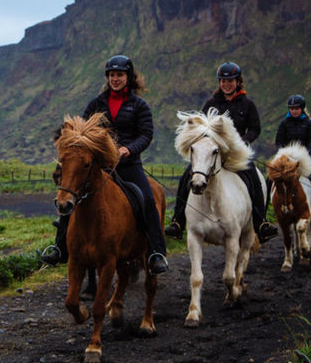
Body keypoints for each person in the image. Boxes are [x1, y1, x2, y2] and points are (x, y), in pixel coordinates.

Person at [41, 54, 169, 276]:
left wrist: (128, 149)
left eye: (119, 74)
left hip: (128, 166)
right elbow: (81, 133)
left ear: (129, 77)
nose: (115, 78)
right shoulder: (96, 103)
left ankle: (156, 253)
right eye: (112, 75)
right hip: (101, 167)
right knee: (72, 195)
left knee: (148, 200)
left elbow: (146, 134)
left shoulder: (139, 105)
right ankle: (59, 248)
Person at [164, 62, 279, 243]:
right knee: (187, 176)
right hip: (211, 154)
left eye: (230, 81)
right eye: (223, 81)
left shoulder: (248, 105)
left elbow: (255, 129)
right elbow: (200, 128)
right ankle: (178, 222)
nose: (227, 84)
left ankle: (261, 223)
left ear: (237, 82)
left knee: (254, 178)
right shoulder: (211, 104)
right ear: (220, 82)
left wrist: (243, 141)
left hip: (235, 154)